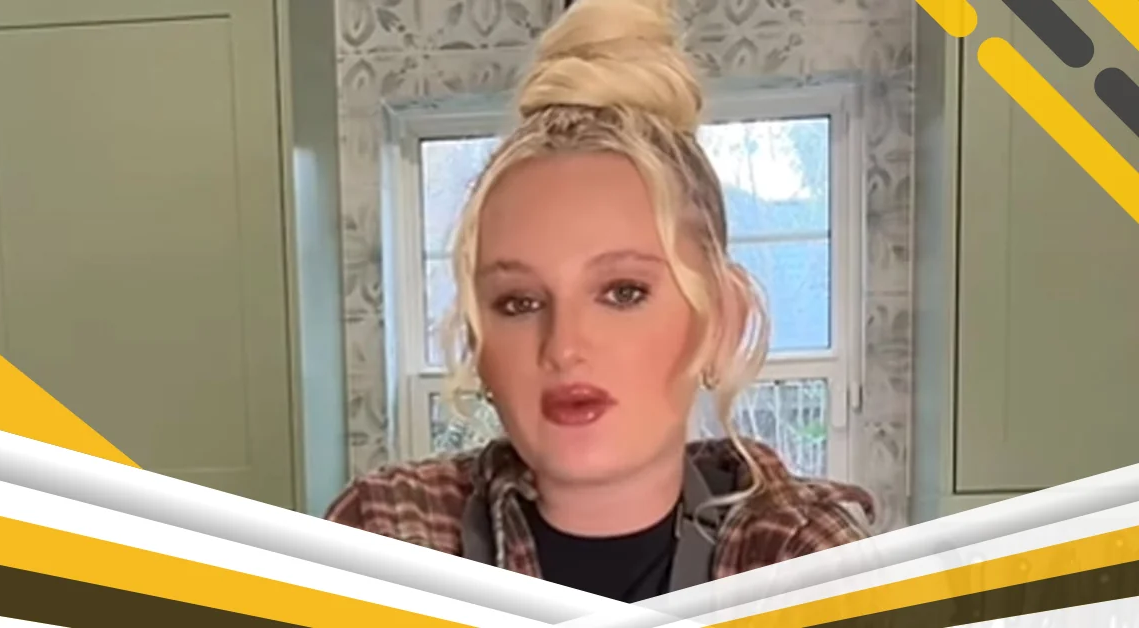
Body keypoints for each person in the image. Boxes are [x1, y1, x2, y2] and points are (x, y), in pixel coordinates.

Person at [326, 0, 876, 602]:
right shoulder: (390, 536)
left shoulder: (804, 558)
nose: (564, 347)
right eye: (519, 302)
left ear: (721, 321)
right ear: (478, 344)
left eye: (623, 292)